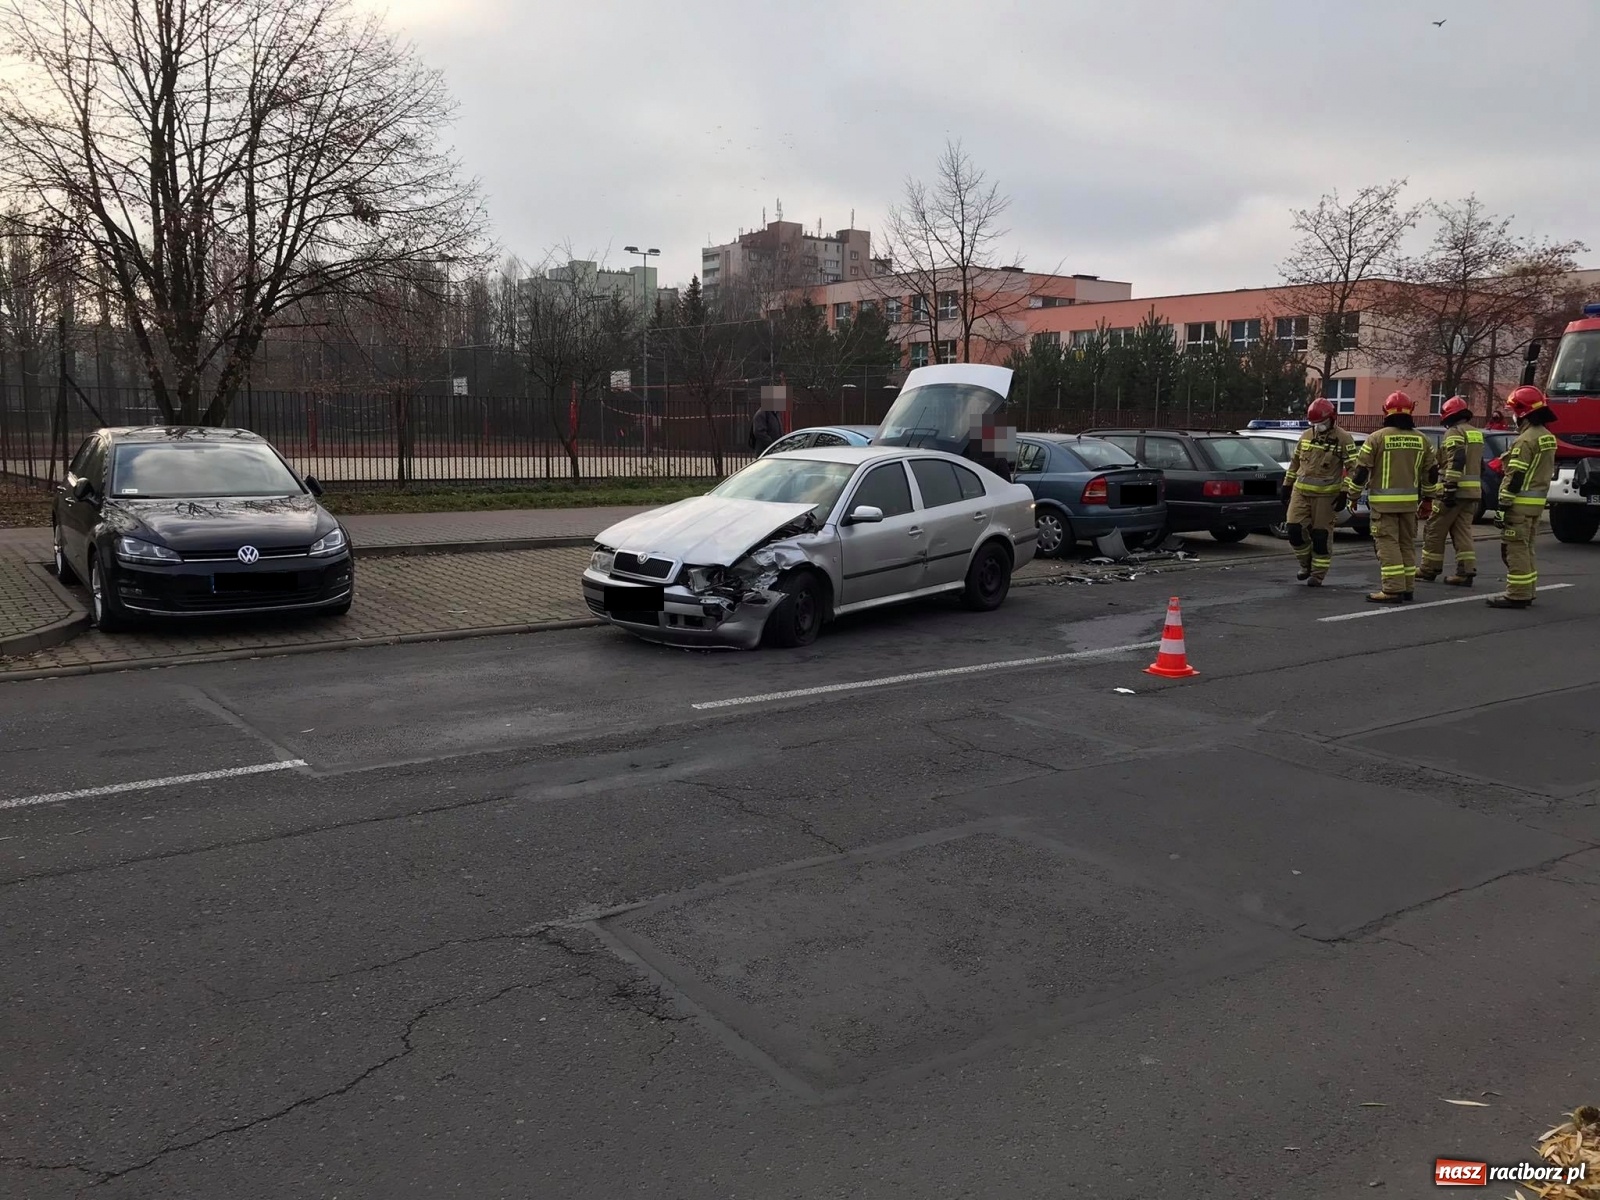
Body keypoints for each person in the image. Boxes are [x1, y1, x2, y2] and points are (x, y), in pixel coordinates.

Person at [1345, 391, 1439, 604]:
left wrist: (1352, 496)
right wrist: (1428, 499)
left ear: (1385, 412)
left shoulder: (1376, 438)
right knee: (1406, 544)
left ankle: (1392, 589)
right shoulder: (1421, 439)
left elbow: (1361, 472)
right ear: (1411, 412)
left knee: (1388, 546)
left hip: (1383, 506)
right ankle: (1407, 587)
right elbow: (1431, 472)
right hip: (1409, 505)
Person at [1486, 385, 1560, 610]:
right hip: (1536, 505)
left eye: (1514, 411)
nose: (1512, 416)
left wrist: (1502, 505)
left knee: (1515, 548)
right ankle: (1528, 590)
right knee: (1527, 548)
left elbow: (1516, 476)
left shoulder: (1525, 440)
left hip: (1518, 504)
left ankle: (1517, 594)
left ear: (1523, 412)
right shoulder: (1547, 437)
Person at [1280, 397, 1359, 586]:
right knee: (1294, 529)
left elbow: (1353, 468)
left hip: (1326, 497)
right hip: (1301, 493)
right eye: (1314, 424)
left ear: (1332, 418)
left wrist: (1344, 491)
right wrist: (1286, 484)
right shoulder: (1307, 435)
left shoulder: (1343, 438)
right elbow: (1295, 462)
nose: (1318, 427)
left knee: (1321, 536)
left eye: (1321, 423)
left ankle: (1317, 574)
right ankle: (1305, 563)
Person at [1417, 396, 1484, 586]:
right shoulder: (1476, 433)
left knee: (1434, 529)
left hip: (1454, 491)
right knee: (1462, 531)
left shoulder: (1454, 432)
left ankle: (1429, 568)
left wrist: (1450, 487)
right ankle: (1465, 571)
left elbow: (1457, 458)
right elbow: (1479, 465)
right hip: (1471, 493)